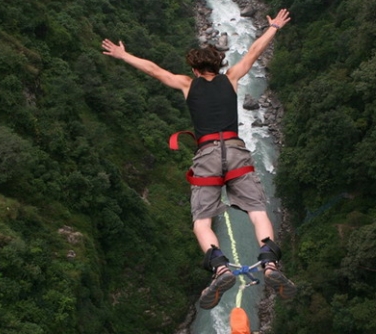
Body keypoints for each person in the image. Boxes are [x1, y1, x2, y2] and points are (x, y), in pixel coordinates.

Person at [102, 9, 296, 309]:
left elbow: (154, 70)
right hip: (235, 152)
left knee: (202, 222)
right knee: (257, 211)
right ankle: (270, 264)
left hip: (206, 156)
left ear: (194, 69)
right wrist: (273, 27)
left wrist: (123, 55)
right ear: (218, 66)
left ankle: (220, 268)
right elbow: (255, 51)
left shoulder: (186, 84)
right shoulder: (231, 78)